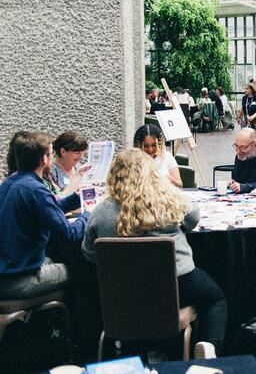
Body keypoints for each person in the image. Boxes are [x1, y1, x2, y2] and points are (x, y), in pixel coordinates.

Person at [81, 149, 226, 358]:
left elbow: (88, 253)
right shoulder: (169, 200)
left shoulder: (101, 212)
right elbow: (193, 218)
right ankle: (210, 346)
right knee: (215, 298)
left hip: (124, 291)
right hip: (177, 281)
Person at [0, 131, 88, 299]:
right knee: (80, 267)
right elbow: (69, 234)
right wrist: (88, 214)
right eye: (50, 153)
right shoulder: (36, 190)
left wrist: (79, 198)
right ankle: (79, 323)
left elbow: (49, 208)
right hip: (21, 278)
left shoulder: (11, 183)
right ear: (44, 159)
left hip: (8, 270)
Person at [49, 131, 90, 195]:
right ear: (63, 152)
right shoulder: (52, 172)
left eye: (83, 152)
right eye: (77, 153)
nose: (81, 156)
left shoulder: (80, 168)